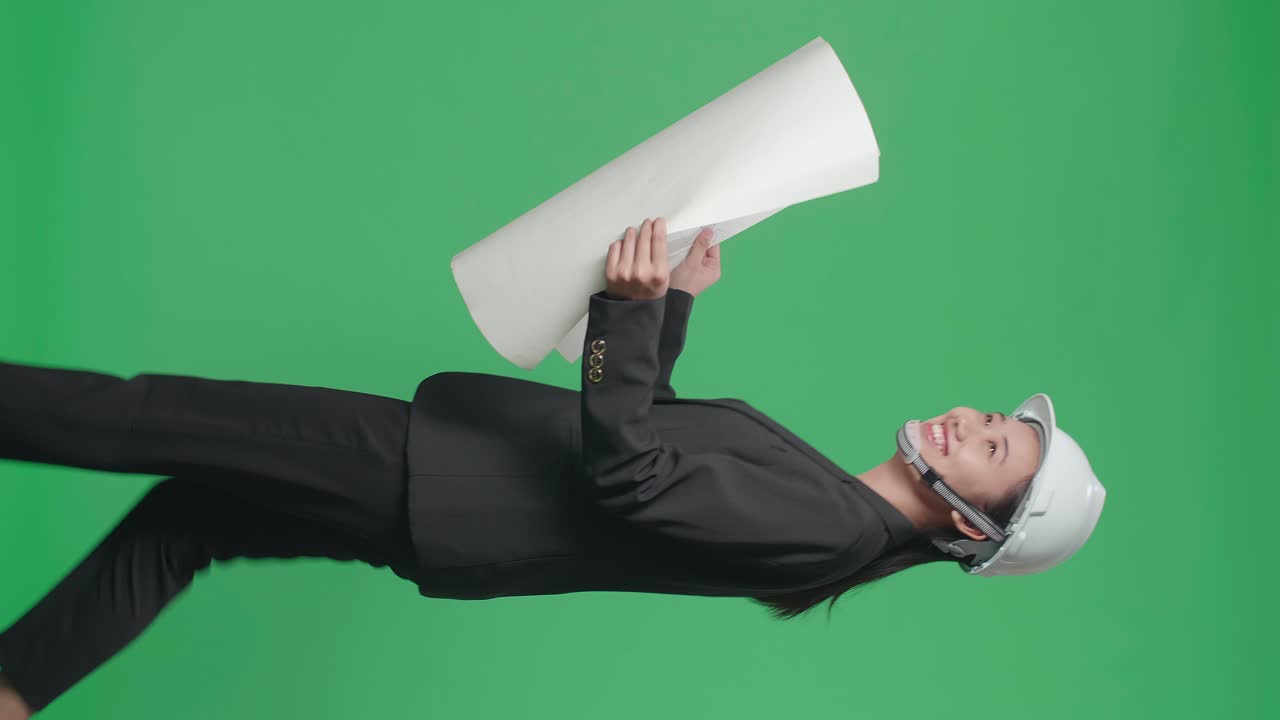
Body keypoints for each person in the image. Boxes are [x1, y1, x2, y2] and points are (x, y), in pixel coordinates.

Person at [0, 217, 1106, 717]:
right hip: (444, 496)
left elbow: (627, 476)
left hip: (431, 479)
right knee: (189, 516)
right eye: (992, 417)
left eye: (995, 447)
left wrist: (621, 317)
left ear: (971, 527)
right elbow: (660, 442)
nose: (969, 419)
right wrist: (666, 306)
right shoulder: (832, 502)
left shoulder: (828, 527)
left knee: (149, 416)